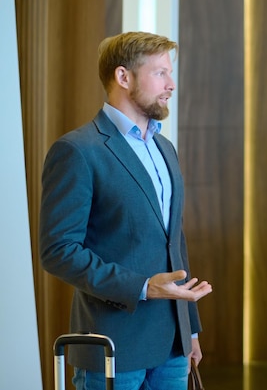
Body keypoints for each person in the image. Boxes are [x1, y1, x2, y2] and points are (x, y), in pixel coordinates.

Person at [39, 31, 213, 390]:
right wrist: (142, 287)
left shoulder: (165, 147)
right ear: (123, 77)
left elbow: (173, 243)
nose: (172, 84)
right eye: (161, 73)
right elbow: (58, 251)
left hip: (173, 349)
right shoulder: (77, 150)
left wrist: (190, 329)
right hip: (112, 346)